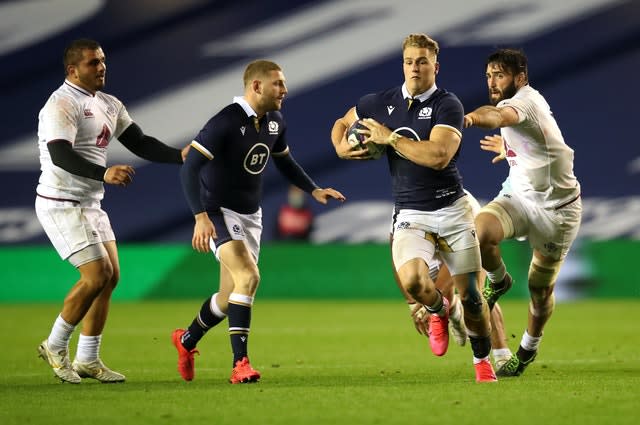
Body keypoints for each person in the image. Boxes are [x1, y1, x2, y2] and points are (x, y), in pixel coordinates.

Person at [331, 33, 496, 382]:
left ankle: (482, 361)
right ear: (402, 65)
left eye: (422, 61)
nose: (415, 67)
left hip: (451, 209)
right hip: (410, 212)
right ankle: (438, 308)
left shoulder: (447, 104)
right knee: (414, 283)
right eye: (409, 61)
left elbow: (438, 156)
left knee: (473, 298)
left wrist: (390, 139)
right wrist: (341, 149)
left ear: (435, 66)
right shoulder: (379, 102)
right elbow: (343, 123)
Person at [172, 59, 345, 384]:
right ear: (256, 86)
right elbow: (188, 168)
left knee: (228, 297)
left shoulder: (275, 121)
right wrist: (199, 217)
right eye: (278, 83)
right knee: (249, 278)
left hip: (251, 216)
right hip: (218, 212)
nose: (285, 89)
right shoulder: (224, 122)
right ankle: (241, 364)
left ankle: (185, 340)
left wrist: (314, 189)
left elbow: (284, 160)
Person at [35, 39, 189, 384]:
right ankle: (55, 344)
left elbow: (139, 142)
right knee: (96, 275)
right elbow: (60, 154)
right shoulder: (60, 104)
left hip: (89, 203)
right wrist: (103, 172)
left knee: (110, 279)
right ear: (72, 70)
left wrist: (178, 155)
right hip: (61, 202)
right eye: (92, 63)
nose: (101, 67)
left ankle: (88, 359)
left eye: (102, 61)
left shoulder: (108, 103)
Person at [464, 48, 582, 376]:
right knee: (480, 231)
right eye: (488, 75)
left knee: (539, 289)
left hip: (557, 213)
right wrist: (511, 149)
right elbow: (537, 137)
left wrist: (469, 119)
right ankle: (498, 280)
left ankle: (528, 347)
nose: (492, 81)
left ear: (520, 78)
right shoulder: (515, 104)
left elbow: (499, 117)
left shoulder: (525, 101)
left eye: (499, 75)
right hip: (518, 198)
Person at [399, 190, 513, 369]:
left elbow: (456, 264)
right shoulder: (404, 204)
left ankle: (501, 354)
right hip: (425, 240)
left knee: (476, 295)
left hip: (464, 237)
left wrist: (431, 307)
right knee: (430, 295)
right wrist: (413, 303)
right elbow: (396, 251)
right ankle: (453, 309)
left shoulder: (461, 205)